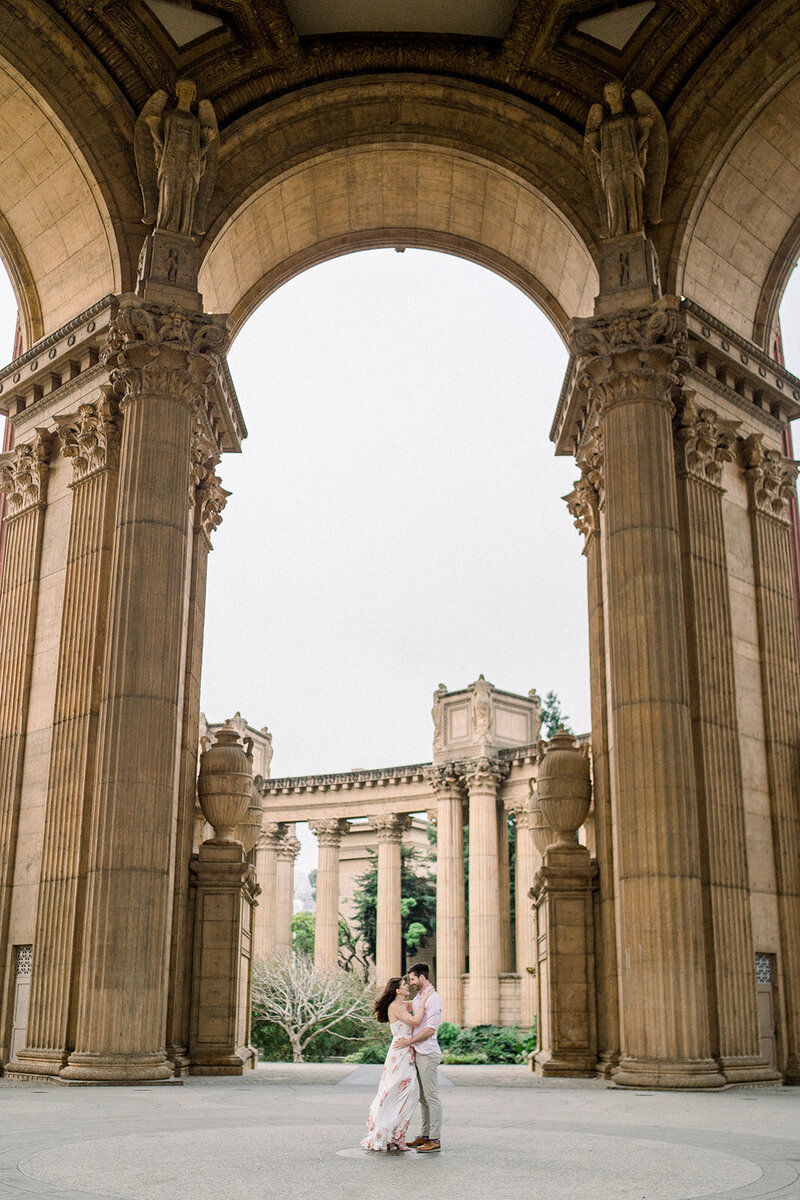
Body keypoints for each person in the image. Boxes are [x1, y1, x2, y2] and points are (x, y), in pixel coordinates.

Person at [361, 976, 424, 1153]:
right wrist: (425, 998)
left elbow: (416, 1003)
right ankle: (393, 1135)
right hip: (400, 1052)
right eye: (405, 985)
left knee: (409, 1094)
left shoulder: (403, 1004)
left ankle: (396, 1135)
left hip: (406, 1051)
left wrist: (424, 992)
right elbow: (416, 1021)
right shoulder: (395, 1007)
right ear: (398, 990)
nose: (407, 987)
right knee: (400, 1091)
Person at [394, 962, 443, 1153]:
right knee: (423, 1098)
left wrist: (409, 1041)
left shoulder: (433, 999)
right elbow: (406, 1006)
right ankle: (425, 1135)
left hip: (427, 1052)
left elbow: (431, 1029)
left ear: (422, 977)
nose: (411, 983)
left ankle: (435, 1138)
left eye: (412, 979)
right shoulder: (421, 996)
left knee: (431, 1097)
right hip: (418, 1051)